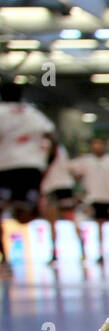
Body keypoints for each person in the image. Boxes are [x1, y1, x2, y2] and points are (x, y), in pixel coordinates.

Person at [0, 82, 56, 269]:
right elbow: (53, 137)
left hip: (6, 167)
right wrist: (47, 163)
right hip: (32, 169)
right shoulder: (33, 113)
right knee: (34, 211)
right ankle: (52, 250)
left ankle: (5, 258)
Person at [71, 137, 109, 264]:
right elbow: (71, 169)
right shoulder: (86, 161)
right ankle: (98, 252)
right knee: (98, 227)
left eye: (99, 144)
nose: (97, 146)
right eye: (95, 144)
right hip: (94, 198)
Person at [40, 144, 85, 264]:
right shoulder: (60, 148)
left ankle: (78, 250)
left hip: (57, 187)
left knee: (63, 219)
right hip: (58, 187)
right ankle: (80, 250)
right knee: (64, 219)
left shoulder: (44, 147)